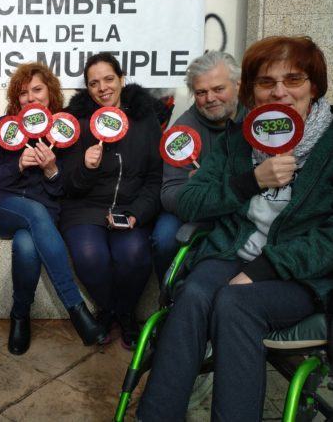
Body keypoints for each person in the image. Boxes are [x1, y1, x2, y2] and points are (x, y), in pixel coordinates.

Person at [137, 36, 333, 421]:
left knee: (233, 303)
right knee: (192, 293)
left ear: (314, 85)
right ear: (253, 92)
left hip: (301, 274)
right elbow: (190, 200)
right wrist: (250, 180)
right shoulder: (240, 139)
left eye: (292, 79)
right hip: (232, 252)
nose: (279, 91)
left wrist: (262, 270)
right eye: (266, 82)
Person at [0, 62, 105, 355]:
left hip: (43, 215)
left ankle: (20, 315)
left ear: (50, 93)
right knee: (32, 213)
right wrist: (17, 165)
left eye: (37, 90)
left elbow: (65, 191)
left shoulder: (64, 132)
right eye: (23, 93)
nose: (31, 98)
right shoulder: (4, 127)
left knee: (26, 242)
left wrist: (50, 170)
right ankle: (76, 308)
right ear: (15, 98)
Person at [61, 52, 163, 350]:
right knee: (90, 256)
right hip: (85, 209)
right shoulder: (78, 123)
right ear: (88, 89)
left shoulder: (145, 120)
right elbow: (69, 184)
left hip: (130, 207)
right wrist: (86, 167)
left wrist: (136, 214)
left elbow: (156, 179)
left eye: (108, 79)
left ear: (121, 79)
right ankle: (117, 311)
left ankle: (121, 313)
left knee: (134, 254)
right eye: (94, 83)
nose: (102, 88)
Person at [151, 51, 245, 281]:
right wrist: (197, 188)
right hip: (193, 209)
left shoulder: (258, 119)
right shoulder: (182, 131)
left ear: (239, 85)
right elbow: (169, 193)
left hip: (245, 207)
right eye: (201, 92)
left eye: (218, 89)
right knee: (163, 238)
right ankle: (171, 298)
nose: (210, 98)